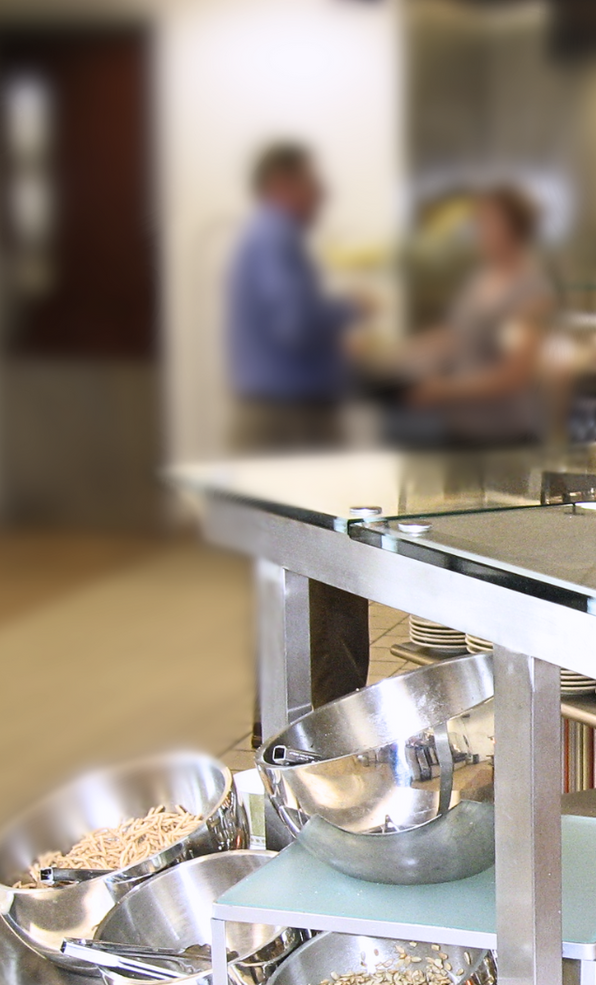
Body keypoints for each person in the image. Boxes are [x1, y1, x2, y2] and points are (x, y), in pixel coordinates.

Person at [225, 140, 369, 712]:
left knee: (283, 582)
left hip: (275, 422)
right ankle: (330, 730)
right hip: (294, 427)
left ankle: (280, 726)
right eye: (310, 182)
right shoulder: (275, 242)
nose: (320, 194)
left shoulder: (264, 241)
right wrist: (347, 310)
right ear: (282, 183)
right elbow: (295, 326)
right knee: (324, 580)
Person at [400, 186, 556, 446]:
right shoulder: (479, 279)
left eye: (489, 223)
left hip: (504, 437)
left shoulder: (531, 292)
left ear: (514, 230)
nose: (480, 233)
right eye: (479, 223)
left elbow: (514, 374)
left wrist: (444, 390)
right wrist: (398, 355)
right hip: (460, 431)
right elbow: (455, 335)